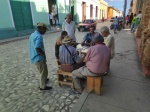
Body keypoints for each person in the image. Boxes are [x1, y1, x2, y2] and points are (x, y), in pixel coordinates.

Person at [29, 22, 52, 90]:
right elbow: (37, 47)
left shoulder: (32, 35)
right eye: (45, 30)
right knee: (42, 71)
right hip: (39, 57)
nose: (45, 31)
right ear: (41, 29)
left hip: (34, 56)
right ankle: (42, 86)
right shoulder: (39, 36)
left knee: (43, 70)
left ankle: (45, 79)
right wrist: (43, 54)